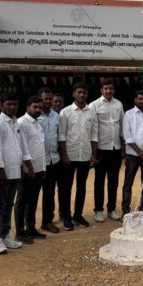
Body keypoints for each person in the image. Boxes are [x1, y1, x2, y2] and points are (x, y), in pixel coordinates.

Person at [0, 92, 31, 254]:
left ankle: (6, 235)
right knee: (0, 205)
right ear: (2, 105)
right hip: (3, 174)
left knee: (9, 204)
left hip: (15, 171)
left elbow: (21, 146)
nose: (12, 107)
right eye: (9, 104)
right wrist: (1, 171)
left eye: (15, 104)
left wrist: (27, 166)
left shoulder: (15, 122)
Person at [58, 82, 98, 230]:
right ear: (74, 94)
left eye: (84, 92)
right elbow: (62, 135)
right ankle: (66, 217)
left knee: (81, 187)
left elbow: (94, 134)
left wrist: (93, 154)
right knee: (66, 188)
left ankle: (78, 215)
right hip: (69, 156)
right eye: (79, 92)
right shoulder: (65, 112)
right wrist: (64, 155)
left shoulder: (91, 112)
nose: (82, 95)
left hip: (85, 155)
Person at [90, 78, 124, 223]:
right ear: (101, 90)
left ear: (114, 90)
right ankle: (98, 210)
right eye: (106, 88)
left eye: (111, 88)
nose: (109, 91)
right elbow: (93, 129)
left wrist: (123, 147)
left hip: (115, 148)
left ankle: (111, 209)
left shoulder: (119, 104)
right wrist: (93, 153)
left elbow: (121, 126)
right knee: (99, 181)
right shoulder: (94, 105)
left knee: (113, 181)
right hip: (101, 149)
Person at [15, 95, 44, 243]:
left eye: (40, 107)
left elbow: (39, 147)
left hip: (38, 169)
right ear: (28, 107)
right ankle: (20, 232)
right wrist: (29, 169)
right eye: (35, 107)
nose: (38, 110)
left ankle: (31, 228)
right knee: (22, 201)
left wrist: (42, 168)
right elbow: (22, 148)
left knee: (33, 200)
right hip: (27, 170)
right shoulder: (22, 123)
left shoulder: (38, 123)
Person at [37, 89, 62, 234]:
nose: (48, 101)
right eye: (45, 99)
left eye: (49, 99)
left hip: (53, 160)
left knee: (49, 193)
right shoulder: (34, 116)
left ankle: (47, 221)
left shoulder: (56, 116)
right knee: (32, 195)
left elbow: (59, 136)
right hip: (38, 162)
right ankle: (29, 226)